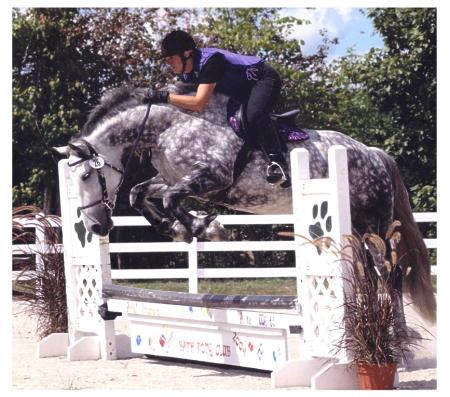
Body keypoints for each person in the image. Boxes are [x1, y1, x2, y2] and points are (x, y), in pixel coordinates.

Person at [147, 30, 290, 187]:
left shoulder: (211, 62)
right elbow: (187, 104)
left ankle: (279, 164)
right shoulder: (186, 74)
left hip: (263, 79)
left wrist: (164, 97)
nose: (169, 63)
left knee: (253, 115)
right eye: (167, 60)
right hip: (238, 90)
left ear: (187, 53)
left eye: (171, 58)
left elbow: (198, 103)